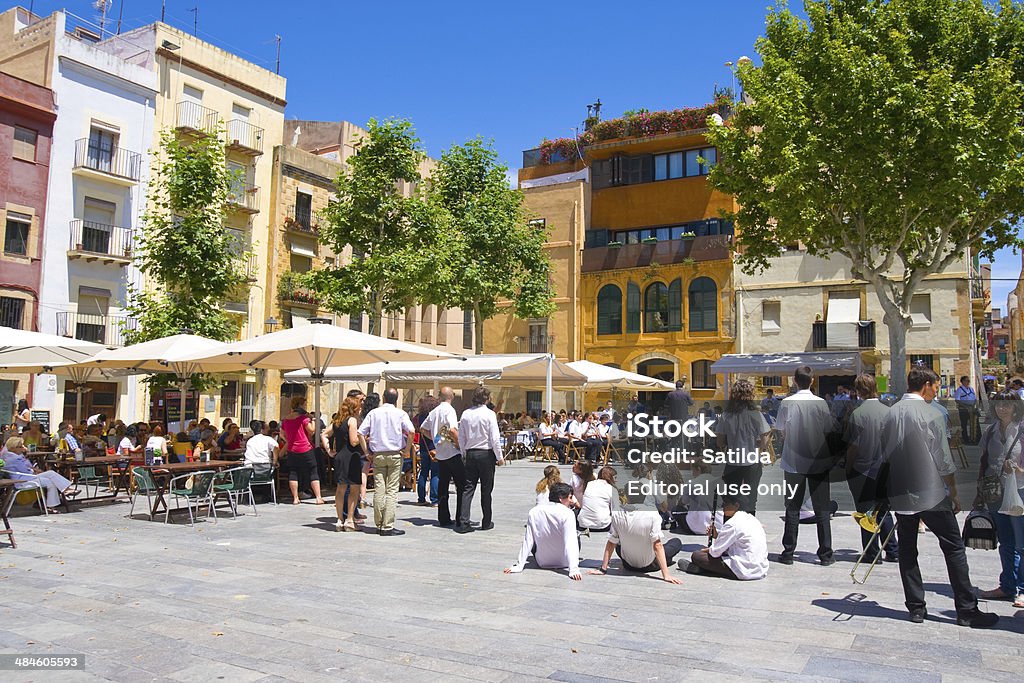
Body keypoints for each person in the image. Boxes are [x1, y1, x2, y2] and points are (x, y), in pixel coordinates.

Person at [882, 367, 998, 627]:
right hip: (930, 490)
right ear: (925, 385)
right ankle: (966, 609)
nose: (936, 391)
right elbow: (943, 460)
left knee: (908, 549)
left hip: (902, 491)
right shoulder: (931, 413)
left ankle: (915, 607)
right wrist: (954, 492)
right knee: (953, 548)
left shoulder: (890, 414)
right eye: (935, 387)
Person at [774, 365, 837, 566]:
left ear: (794, 381)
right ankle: (826, 553)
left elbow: (781, 429)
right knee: (822, 508)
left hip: (793, 461)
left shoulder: (786, 403)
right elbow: (828, 430)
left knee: (792, 506)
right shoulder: (821, 404)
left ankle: (788, 552)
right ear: (812, 381)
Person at [975, 391, 1024, 607]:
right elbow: (983, 461)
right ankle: (1007, 585)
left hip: (1019, 491)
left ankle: (1022, 589)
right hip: (995, 491)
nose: (1002, 408)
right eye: (999, 404)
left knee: (1021, 542)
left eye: (1007, 404)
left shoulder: (1022, 430)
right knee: (1005, 541)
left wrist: (1019, 469)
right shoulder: (991, 430)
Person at [844, 373, 898, 563]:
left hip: (862, 469)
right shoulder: (889, 412)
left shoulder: (858, 414)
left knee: (865, 512)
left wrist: (848, 467)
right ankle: (892, 550)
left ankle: (872, 552)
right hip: (885, 469)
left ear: (858, 391)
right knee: (884, 510)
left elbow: (853, 446)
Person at [359, 388, 415, 536]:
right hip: (395, 454)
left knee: (379, 489)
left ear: (383, 398)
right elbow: (411, 431)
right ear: (396, 399)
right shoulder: (400, 413)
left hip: (378, 455)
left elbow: (360, 432)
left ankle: (379, 523)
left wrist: (366, 452)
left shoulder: (373, 413)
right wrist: (408, 449)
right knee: (391, 490)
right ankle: (387, 525)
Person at [679, 494, 769, 580]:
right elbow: (735, 540)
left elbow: (715, 552)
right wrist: (716, 535)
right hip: (760, 569)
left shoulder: (733, 523)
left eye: (726, 503)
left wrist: (703, 550)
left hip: (744, 570)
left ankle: (702, 569)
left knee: (697, 556)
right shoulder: (752, 519)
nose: (723, 507)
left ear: (736, 505)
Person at [504, 483, 581, 580]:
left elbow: (528, 540)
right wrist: (574, 569)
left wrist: (519, 565)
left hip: (542, 561)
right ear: (561, 498)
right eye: (570, 498)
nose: (571, 501)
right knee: (575, 536)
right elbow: (571, 542)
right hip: (565, 561)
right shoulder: (568, 513)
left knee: (535, 536)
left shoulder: (534, 511)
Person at [716, 379, 771, 515]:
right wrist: (760, 451)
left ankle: (730, 528)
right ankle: (749, 528)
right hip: (752, 461)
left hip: (733, 461)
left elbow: (720, 441)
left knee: (730, 499)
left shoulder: (726, 415)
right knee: (751, 499)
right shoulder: (756, 414)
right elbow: (765, 436)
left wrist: (725, 448)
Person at [589, 508, 683, 584]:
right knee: (676, 542)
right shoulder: (652, 514)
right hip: (649, 565)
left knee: (618, 543)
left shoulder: (617, 514)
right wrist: (666, 575)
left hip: (628, 564)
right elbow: (657, 546)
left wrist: (603, 569)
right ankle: (667, 561)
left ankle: (666, 560)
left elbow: (611, 542)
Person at [456, 385, 504, 533]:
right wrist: (500, 457)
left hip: (471, 453)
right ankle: (486, 521)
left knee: (468, 488)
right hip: (486, 454)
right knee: (486, 489)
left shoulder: (465, 414)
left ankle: (464, 521)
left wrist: (464, 453)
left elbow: (461, 437)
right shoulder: (489, 414)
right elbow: (494, 438)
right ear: (487, 399)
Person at [421, 387, 464, 528]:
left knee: (443, 485)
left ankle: (443, 517)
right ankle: (460, 517)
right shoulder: (449, 410)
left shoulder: (434, 412)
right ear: (451, 396)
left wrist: (435, 438)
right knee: (461, 486)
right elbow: (452, 429)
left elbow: (422, 428)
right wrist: (459, 445)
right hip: (452, 451)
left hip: (441, 453)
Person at [1, 437, 77, 513]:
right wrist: (35, 472)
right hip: (23, 480)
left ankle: (63, 491)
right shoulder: (14, 459)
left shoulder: (10, 456)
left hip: (25, 477)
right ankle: (54, 501)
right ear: (13, 448)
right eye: (21, 446)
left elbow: (26, 468)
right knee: (49, 480)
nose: (23, 448)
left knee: (50, 475)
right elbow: (26, 471)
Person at [327, 395, 366, 532]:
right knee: (354, 489)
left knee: (340, 489)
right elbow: (353, 441)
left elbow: (324, 434)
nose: (360, 408)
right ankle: (349, 520)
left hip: (339, 456)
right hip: (352, 457)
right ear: (354, 408)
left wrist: (329, 450)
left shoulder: (337, 421)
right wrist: (364, 437)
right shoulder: (352, 421)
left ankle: (339, 520)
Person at [281, 396, 324, 506]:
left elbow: (282, 434)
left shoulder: (286, 419)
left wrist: (289, 440)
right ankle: (318, 497)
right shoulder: (303, 418)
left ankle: (295, 498)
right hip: (305, 448)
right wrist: (314, 420)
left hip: (292, 449)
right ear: (300, 405)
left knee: (293, 472)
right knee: (313, 471)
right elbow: (312, 430)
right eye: (304, 404)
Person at [413, 395, 439, 507]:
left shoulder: (420, 416)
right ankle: (434, 499)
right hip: (433, 446)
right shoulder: (434, 415)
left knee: (423, 472)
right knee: (435, 473)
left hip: (423, 446)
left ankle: (421, 498)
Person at [577, 466, 620, 532]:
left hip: (583, 524)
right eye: (615, 478)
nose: (617, 480)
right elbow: (616, 511)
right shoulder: (612, 489)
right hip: (602, 525)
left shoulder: (589, 484)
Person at [953, 376, 978, 443]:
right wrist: (966, 406)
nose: (968, 382)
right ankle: (965, 439)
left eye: (968, 381)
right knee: (964, 424)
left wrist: (973, 405)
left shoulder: (971, 389)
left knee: (974, 424)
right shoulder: (960, 390)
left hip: (972, 408)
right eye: (967, 381)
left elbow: (974, 398)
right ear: (963, 381)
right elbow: (957, 400)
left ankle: (974, 438)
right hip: (963, 409)